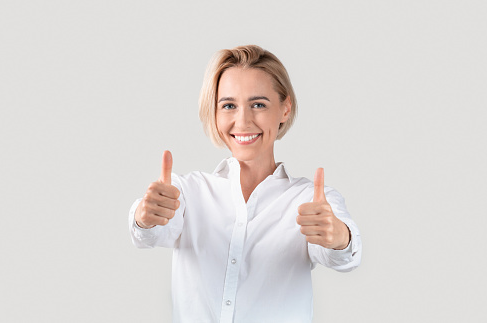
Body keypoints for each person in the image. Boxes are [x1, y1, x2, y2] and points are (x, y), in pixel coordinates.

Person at [129, 45, 362, 323]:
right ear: (214, 112)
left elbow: (344, 256)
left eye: (259, 104)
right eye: (229, 105)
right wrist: (146, 216)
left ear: (285, 109)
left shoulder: (309, 201)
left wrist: (338, 237)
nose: (243, 121)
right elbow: (151, 234)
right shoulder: (188, 192)